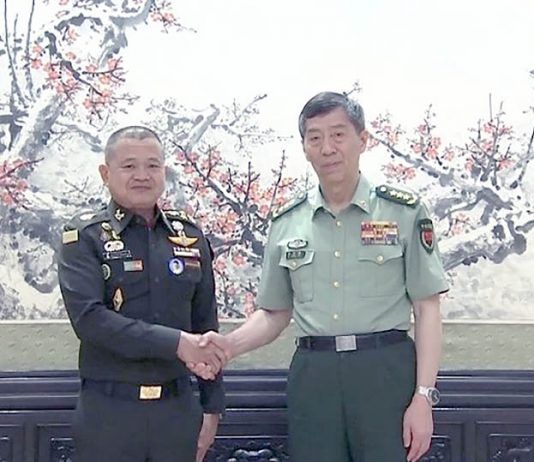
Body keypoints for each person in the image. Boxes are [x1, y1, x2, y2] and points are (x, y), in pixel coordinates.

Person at [194, 92, 449, 462]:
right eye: (315, 138)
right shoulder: (287, 222)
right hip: (315, 375)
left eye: (338, 135)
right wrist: (229, 346)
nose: (327, 148)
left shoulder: (403, 212)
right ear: (305, 148)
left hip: (385, 371)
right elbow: (275, 312)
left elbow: (427, 308)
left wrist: (424, 396)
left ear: (363, 140)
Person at [58, 126, 225, 462]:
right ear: (106, 173)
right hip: (109, 413)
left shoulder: (189, 236)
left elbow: (205, 323)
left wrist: (212, 406)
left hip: (178, 411)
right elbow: (90, 320)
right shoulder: (85, 235)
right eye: (129, 166)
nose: (142, 175)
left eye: (152, 165)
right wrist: (176, 343)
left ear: (164, 171)